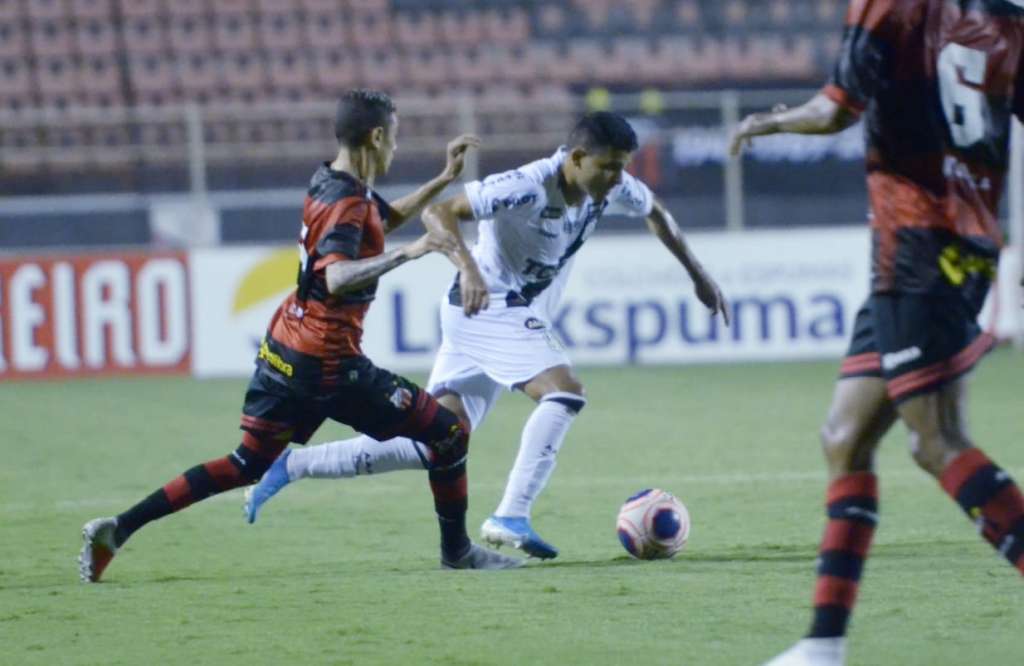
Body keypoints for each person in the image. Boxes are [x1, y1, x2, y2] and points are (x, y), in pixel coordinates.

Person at [78, 89, 524, 583]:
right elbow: (336, 276)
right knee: (448, 433)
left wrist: (441, 182)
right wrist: (414, 251)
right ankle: (458, 552)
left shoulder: (329, 182)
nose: (395, 149)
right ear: (376, 137)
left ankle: (118, 528)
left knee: (247, 462)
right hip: (329, 363)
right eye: (394, 139)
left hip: (285, 347)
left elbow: (376, 221)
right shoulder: (348, 202)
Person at [244, 111, 729, 560]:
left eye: (622, 168)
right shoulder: (527, 185)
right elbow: (440, 214)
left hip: (486, 316)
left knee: (436, 441)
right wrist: (469, 267)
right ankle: (511, 514)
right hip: (487, 305)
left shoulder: (610, 186)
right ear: (576, 158)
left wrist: (699, 274)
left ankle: (290, 465)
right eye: (607, 168)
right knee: (564, 391)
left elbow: (657, 212)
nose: (617, 179)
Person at [729, 1, 1024, 664]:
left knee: (937, 442)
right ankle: (823, 645)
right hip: (946, 246)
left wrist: (764, 121)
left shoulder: (887, 5)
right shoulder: (1009, 21)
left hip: (919, 245)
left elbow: (836, 108)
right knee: (845, 435)